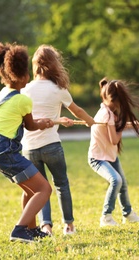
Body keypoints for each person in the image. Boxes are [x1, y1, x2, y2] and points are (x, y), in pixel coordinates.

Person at [21, 44, 95, 236]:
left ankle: (46, 226)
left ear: (35, 66)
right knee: (62, 184)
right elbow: (77, 111)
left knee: (40, 188)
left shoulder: (25, 90)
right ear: (54, 65)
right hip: (51, 146)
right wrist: (90, 122)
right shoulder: (58, 89)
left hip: (29, 148)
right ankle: (69, 225)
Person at [0, 42, 54, 243]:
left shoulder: (1, 95)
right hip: (8, 153)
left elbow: (24, 123)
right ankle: (19, 229)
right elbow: (31, 125)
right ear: (20, 74)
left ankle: (32, 230)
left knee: (31, 190)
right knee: (45, 189)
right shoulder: (22, 100)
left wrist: (39, 123)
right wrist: (43, 124)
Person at [88, 78, 139, 227]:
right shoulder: (107, 115)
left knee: (123, 184)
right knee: (116, 181)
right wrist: (122, 127)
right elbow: (114, 140)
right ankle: (106, 216)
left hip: (110, 156)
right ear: (117, 100)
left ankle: (128, 214)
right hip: (98, 158)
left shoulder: (107, 111)